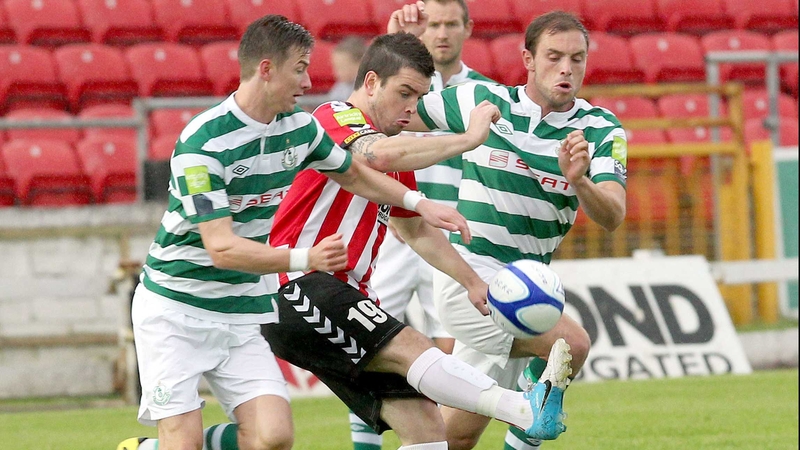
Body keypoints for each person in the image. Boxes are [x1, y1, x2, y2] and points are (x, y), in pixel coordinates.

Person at [119, 15, 477, 450]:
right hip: (176, 307)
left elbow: (356, 173)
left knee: (273, 438)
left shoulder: (299, 127)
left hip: (242, 307)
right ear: (267, 69)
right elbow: (221, 248)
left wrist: (419, 204)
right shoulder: (204, 143)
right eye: (300, 68)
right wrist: (306, 259)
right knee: (184, 443)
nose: (309, 82)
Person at [263, 31, 573, 450]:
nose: (412, 108)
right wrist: (468, 140)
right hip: (296, 284)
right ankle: (523, 409)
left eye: (419, 97)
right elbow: (376, 155)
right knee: (411, 344)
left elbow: (415, 230)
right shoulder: (333, 116)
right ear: (371, 82)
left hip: (341, 293)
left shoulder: (394, 156)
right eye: (404, 93)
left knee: (424, 423)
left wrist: (473, 283)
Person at [393, 7, 628, 450]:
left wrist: (580, 181)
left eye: (577, 58)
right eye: (554, 56)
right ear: (528, 60)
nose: (566, 68)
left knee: (454, 437)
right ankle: (535, 409)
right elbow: (390, 113)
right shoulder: (482, 101)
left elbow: (613, 214)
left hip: (528, 284)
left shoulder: (599, 129)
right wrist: (393, 47)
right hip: (469, 276)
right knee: (570, 345)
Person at [355, 1, 499, 448]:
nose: (441, 33)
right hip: (391, 232)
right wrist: (393, 43)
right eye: (433, 24)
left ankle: (433, 437)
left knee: (447, 354)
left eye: (451, 24)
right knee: (367, 349)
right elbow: (365, 126)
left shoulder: (484, 93)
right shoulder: (404, 86)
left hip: (448, 233)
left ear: (467, 28)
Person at [327, 36, 368, 101]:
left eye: (342, 67)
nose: (336, 72)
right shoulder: (340, 87)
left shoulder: (367, 87)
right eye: (336, 67)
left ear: (359, 64)